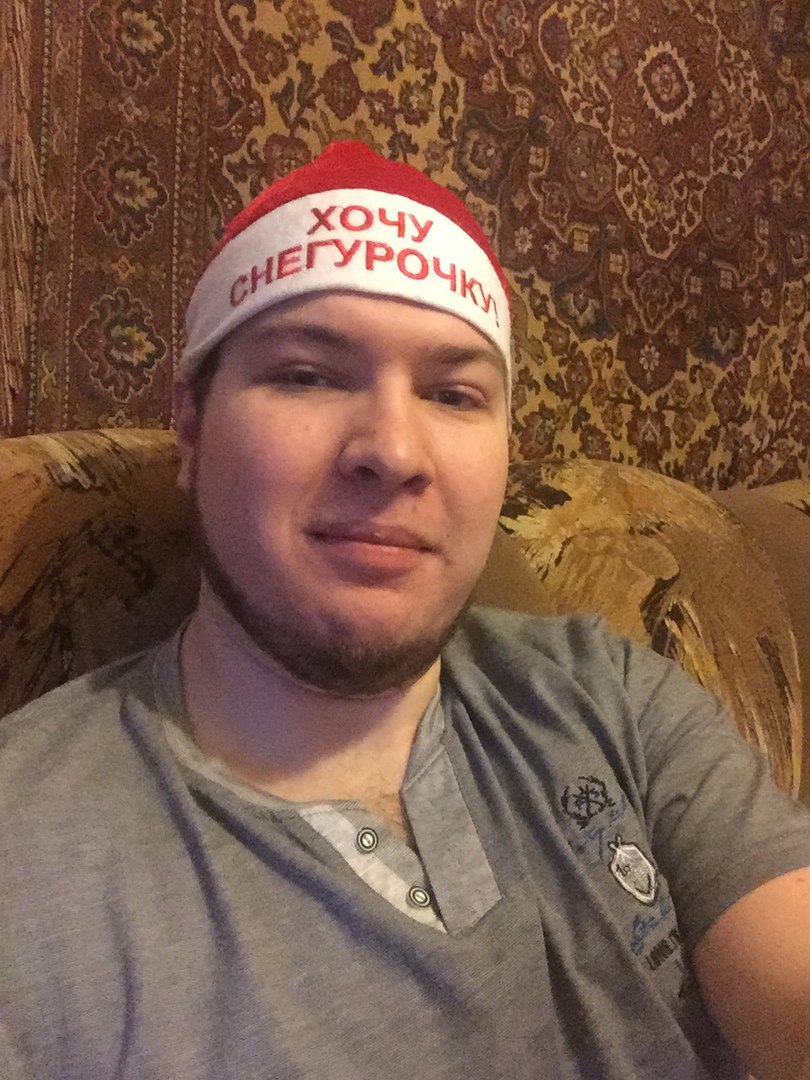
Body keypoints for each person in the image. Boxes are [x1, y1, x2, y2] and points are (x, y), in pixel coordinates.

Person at [2, 140, 810, 1080]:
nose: (393, 451)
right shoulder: (28, 856)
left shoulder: (613, 696)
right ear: (190, 424)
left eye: (453, 393)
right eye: (308, 374)